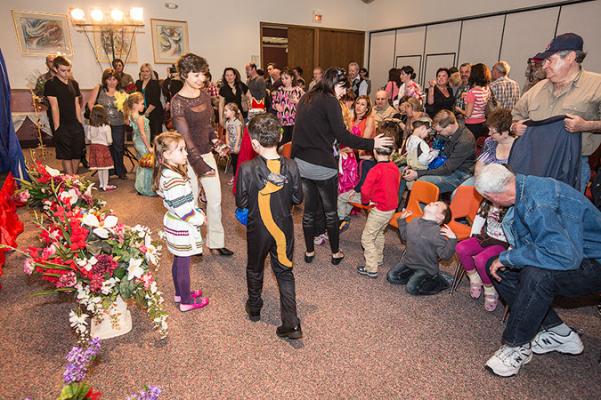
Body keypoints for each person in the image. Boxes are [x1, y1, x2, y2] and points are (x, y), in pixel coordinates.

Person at [475, 163, 601, 377]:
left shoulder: (538, 202)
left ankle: (517, 345)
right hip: (577, 253)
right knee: (499, 269)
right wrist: (508, 259)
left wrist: (509, 257)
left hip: (594, 261)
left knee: (538, 277)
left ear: (492, 195)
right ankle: (559, 333)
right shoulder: (524, 188)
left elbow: (563, 255)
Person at [291, 67, 393, 265]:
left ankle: (309, 252)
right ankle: (335, 253)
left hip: (301, 163)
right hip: (322, 165)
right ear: (334, 83)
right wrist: (372, 143)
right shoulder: (330, 101)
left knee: (309, 211)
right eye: (343, 87)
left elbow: (298, 132)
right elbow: (343, 136)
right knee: (330, 212)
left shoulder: (306, 97)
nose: (344, 92)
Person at [236, 113, 304, 340]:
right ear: (280, 137)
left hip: (258, 229)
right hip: (283, 228)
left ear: (254, 143)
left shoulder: (246, 168)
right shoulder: (292, 165)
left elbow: (241, 203)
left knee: (255, 268)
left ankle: (255, 307)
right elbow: (298, 198)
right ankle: (292, 323)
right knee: (284, 272)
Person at [511, 33, 601, 193]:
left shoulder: (596, 85)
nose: (544, 66)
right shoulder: (537, 88)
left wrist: (587, 126)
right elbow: (515, 115)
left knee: (562, 207)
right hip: (534, 162)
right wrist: (514, 127)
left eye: (550, 60)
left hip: (571, 166)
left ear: (571, 57)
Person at [172, 53, 233, 256]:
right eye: (196, 75)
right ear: (184, 74)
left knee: (215, 199)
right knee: (191, 203)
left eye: (203, 74)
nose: (201, 79)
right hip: (187, 157)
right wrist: (199, 164)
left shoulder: (205, 95)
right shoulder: (177, 101)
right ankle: (195, 243)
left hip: (206, 153)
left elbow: (208, 126)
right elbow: (185, 137)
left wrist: (216, 141)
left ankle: (215, 242)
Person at [153, 131, 210, 312]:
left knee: (179, 260)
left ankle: (180, 293)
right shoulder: (174, 180)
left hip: (174, 222)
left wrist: (195, 210)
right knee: (184, 264)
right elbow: (183, 209)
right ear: (167, 154)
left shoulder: (167, 173)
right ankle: (186, 301)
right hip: (182, 225)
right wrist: (200, 218)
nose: (186, 153)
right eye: (180, 150)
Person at [387, 202, 456, 295]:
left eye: (437, 205)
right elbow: (405, 237)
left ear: (440, 217)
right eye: (434, 202)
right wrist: (402, 221)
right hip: (408, 263)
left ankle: (441, 281)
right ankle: (416, 277)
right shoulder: (414, 221)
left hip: (426, 268)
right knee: (391, 276)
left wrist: (452, 240)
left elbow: (445, 256)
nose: (432, 202)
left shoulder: (438, 233)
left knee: (411, 288)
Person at [403, 110, 475, 193]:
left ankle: (418, 201)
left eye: (440, 131)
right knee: (402, 172)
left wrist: (418, 173)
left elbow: (447, 169)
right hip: (440, 164)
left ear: (449, 126)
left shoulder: (465, 141)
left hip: (459, 173)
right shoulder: (448, 131)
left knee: (423, 181)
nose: (438, 133)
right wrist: (412, 166)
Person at [455, 199, 508, 311]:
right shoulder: (487, 202)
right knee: (461, 248)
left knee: (480, 260)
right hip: (487, 237)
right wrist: (473, 238)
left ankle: (490, 289)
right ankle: (475, 279)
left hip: (503, 243)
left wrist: (509, 255)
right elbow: (479, 220)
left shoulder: (511, 206)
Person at [44, 56, 85, 175]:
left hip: (75, 123)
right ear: (55, 69)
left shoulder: (74, 84)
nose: (66, 73)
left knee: (77, 152)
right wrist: (57, 128)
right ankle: (70, 178)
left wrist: (80, 123)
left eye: (68, 70)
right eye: (63, 70)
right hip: (61, 124)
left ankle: (73, 177)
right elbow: (54, 107)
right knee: (66, 154)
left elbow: (77, 104)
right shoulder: (50, 84)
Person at [88, 68, 128, 180]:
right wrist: (96, 116)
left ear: (118, 80)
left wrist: (126, 117)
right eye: (109, 79)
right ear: (105, 80)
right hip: (103, 124)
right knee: (106, 148)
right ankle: (108, 171)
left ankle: (120, 170)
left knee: (118, 147)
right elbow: (90, 103)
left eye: (114, 79)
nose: (112, 82)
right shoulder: (99, 89)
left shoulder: (122, 92)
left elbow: (126, 108)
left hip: (118, 123)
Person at [459, 107, 515, 187]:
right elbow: (480, 162)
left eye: (493, 132)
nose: (489, 134)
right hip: (481, 180)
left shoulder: (518, 147)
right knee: (458, 192)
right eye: (489, 130)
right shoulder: (489, 142)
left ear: (506, 131)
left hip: (503, 186)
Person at [124, 92, 155, 197]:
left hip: (137, 142)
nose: (143, 106)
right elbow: (142, 134)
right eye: (142, 104)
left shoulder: (131, 115)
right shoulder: (139, 118)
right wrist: (149, 147)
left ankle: (140, 186)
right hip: (142, 144)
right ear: (135, 105)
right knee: (147, 165)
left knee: (142, 163)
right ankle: (144, 188)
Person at [455, 63, 492, 140]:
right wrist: (467, 95)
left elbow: (468, 114)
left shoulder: (472, 92)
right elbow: (479, 101)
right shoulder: (486, 89)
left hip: (472, 125)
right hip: (482, 123)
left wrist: (459, 110)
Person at [85, 105, 115, 192]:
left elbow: (88, 138)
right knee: (105, 168)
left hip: (94, 147)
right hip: (103, 148)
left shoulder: (90, 127)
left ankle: (101, 184)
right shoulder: (106, 127)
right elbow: (109, 141)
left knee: (99, 167)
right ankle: (105, 185)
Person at [271, 68, 304, 144]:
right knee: (283, 144)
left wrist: (297, 101)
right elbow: (273, 103)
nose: (284, 81)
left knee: (294, 144)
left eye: (286, 78)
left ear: (292, 78)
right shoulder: (280, 90)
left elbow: (306, 105)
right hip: (282, 122)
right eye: (282, 79)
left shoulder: (298, 90)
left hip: (295, 123)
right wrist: (276, 105)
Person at [135, 63, 164, 141]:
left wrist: (146, 113)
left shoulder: (155, 83)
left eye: (147, 71)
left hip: (155, 112)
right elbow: (136, 97)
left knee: (155, 137)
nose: (145, 73)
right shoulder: (138, 82)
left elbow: (155, 101)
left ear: (151, 72)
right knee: (145, 136)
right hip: (142, 112)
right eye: (143, 71)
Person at [223, 103, 244, 185]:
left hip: (237, 145)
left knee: (238, 162)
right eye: (224, 111)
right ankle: (235, 176)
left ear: (233, 112)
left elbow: (239, 135)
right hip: (231, 145)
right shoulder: (227, 122)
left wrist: (236, 146)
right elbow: (227, 133)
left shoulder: (237, 122)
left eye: (226, 111)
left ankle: (237, 177)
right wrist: (227, 142)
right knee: (234, 161)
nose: (224, 112)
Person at [352, 95, 376, 160]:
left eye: (362, 104)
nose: (359, 106)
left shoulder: (369, 120)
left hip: (364, 155)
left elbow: (364, 142)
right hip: (352, 153)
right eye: (357, 103)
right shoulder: (351, 120)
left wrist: (356, 156)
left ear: (367, 109)